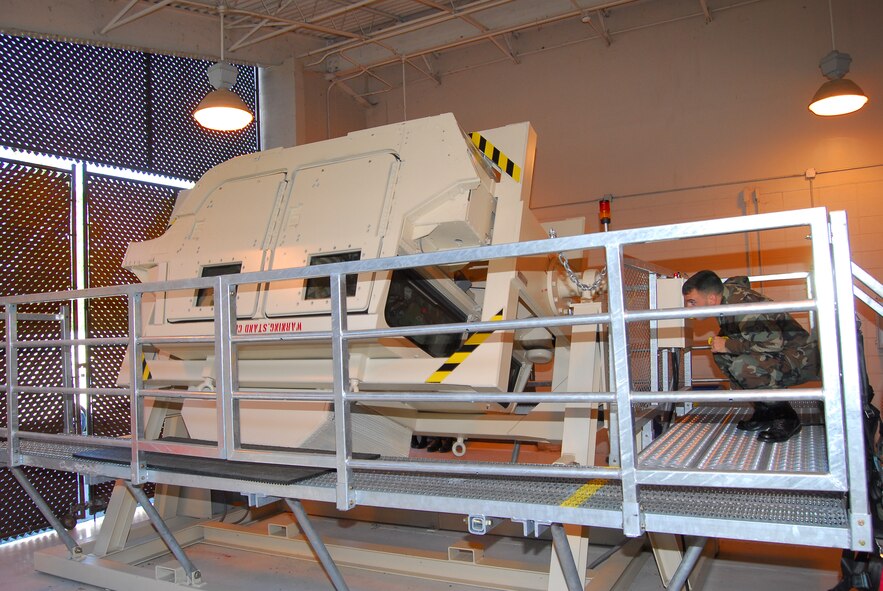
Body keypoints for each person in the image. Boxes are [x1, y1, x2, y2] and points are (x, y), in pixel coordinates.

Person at [681, 270, 819, 443]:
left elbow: (772, 343)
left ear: (711, 299)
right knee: (722, 356)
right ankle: (765, 412)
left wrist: (728, 345)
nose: (688, 308)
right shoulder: (723, 299)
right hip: (782, 354)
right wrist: (727, 346)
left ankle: (787, 418)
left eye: (693, 302)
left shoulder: (742, 307)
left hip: (802, 359)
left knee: (742, 365)